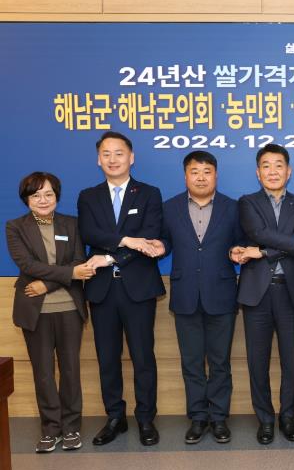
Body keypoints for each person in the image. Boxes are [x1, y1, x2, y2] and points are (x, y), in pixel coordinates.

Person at [147, 150, 244, 445]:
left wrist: (237, 250)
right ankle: (198, 417)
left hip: (221, 293)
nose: (201, 177)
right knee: (191, 363)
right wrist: (161, 247)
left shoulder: (233, 207)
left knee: (220, 362)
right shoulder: (170, 207)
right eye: (194, 171)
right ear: (185, 175)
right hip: (186, 293)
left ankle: (219, 418)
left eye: (207, 171)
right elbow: (165, 240)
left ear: (216, 175)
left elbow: (241, 241)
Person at [77, 131, 165, 446]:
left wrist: (110, 256)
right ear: (98, 159)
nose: (113, 159)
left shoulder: (149, 193)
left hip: (138, 288)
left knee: (143, 356)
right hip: (102, 290)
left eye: (119, 153)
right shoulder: (88, 196)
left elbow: (150, 237)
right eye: (106, 154)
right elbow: (89, 232)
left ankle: (146, 419)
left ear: (131, 157)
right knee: (107, 357)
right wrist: (127, 240)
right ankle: (115, 416)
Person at [236, 144, 294, 444]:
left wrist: (261, 252)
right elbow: (260, 234)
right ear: (258, 173)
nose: (273, 171)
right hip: (256, 293)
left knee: (291, 360)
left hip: (290, 291)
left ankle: (288, 416)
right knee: (257, 361)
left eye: (279, 165)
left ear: (289, 171)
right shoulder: (247, 202)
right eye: (266, 166)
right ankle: (265, 419)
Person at [6, 172, 93, 453]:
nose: (43, 200)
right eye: (36, 195)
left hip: (69, 307)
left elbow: (79, 262)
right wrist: (66, 275)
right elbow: (27, 264)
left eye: (48, 194)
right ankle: (50, 429)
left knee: (70, 370)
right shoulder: (15, 227)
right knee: (42, 372)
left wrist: (48, 284)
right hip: (35, 310)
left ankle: (71, 428)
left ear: (57, 196)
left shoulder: (72, 224)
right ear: (27, 199)